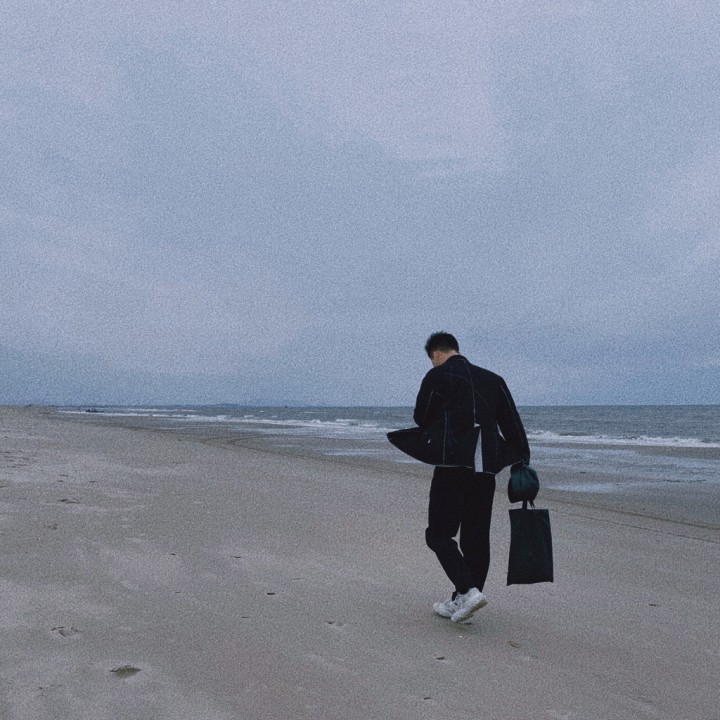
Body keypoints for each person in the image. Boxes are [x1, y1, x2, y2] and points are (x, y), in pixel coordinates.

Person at [414, 332, 530, 622]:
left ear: (435, 354)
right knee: (476, 538)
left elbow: (421, 417)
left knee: (438, 534)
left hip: (452, 465)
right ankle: (463, 599)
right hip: (485, 469)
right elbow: (513, 427)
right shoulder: (493, 379)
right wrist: (522, 462)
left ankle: (467, 591)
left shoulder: (438, 376)